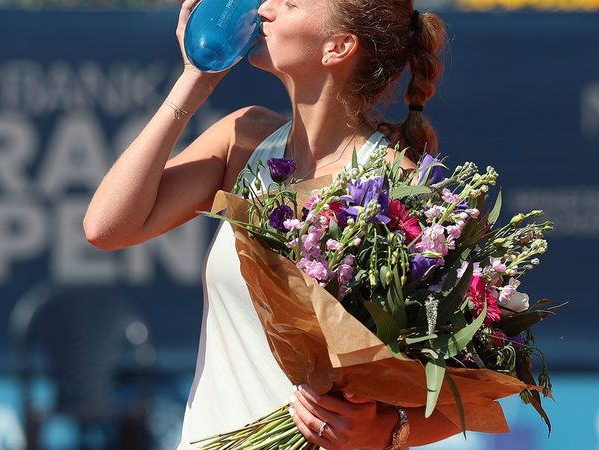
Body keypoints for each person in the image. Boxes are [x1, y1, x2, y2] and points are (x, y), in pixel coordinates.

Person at [84, 0, 464, 447]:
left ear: (337, 47)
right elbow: (107, 227)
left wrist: (386, 432)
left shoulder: (397, 187)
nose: (264, 7)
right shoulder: (243, 139)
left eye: (291, 2)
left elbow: (463, 391)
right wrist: (193, 80)